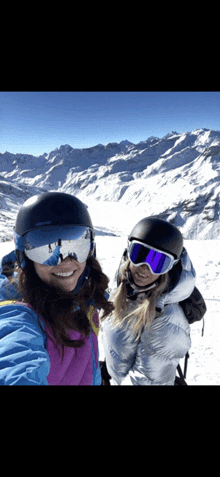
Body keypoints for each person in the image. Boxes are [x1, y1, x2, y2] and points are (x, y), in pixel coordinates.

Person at [0, 192, 113, 385]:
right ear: (24, 256)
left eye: (77, 246)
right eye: (48, 250)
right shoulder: (17, 314)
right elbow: (16, 361)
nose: (67, 263)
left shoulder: (86, 294)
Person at [100, 216, 196, 385]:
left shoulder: (166, 318)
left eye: (158, 262)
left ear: (169, 268)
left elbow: (146, 380)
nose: (145, 268)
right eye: (140, 254)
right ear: (128, 253)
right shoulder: (123, 290)